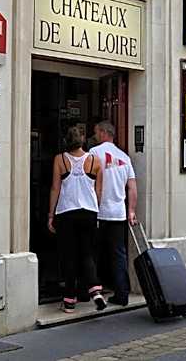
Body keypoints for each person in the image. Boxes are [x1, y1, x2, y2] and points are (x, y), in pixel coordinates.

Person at [48, 126, 107, 313]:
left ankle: (69, 300)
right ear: (83, 140)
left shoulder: (60, 160)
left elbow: (55, 188)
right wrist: (94, 210)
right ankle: (95, 290)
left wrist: (51, 215)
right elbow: (98, 192)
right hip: (88, 212)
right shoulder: (95, 161)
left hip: (67, 212)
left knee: (69, 256)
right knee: (87, 254)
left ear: (67, 140)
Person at [90, 120, 137, 307]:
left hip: (99, 212)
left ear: (103, 133)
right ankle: (122, 293)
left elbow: (89, 182)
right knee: (118, 254)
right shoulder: (125, 157)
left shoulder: (94, 153)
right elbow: (132, 187)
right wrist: (131, 210)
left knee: (93, 253)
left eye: (96, 133)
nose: (94, 137)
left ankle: (93, 291)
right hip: (119, 213)